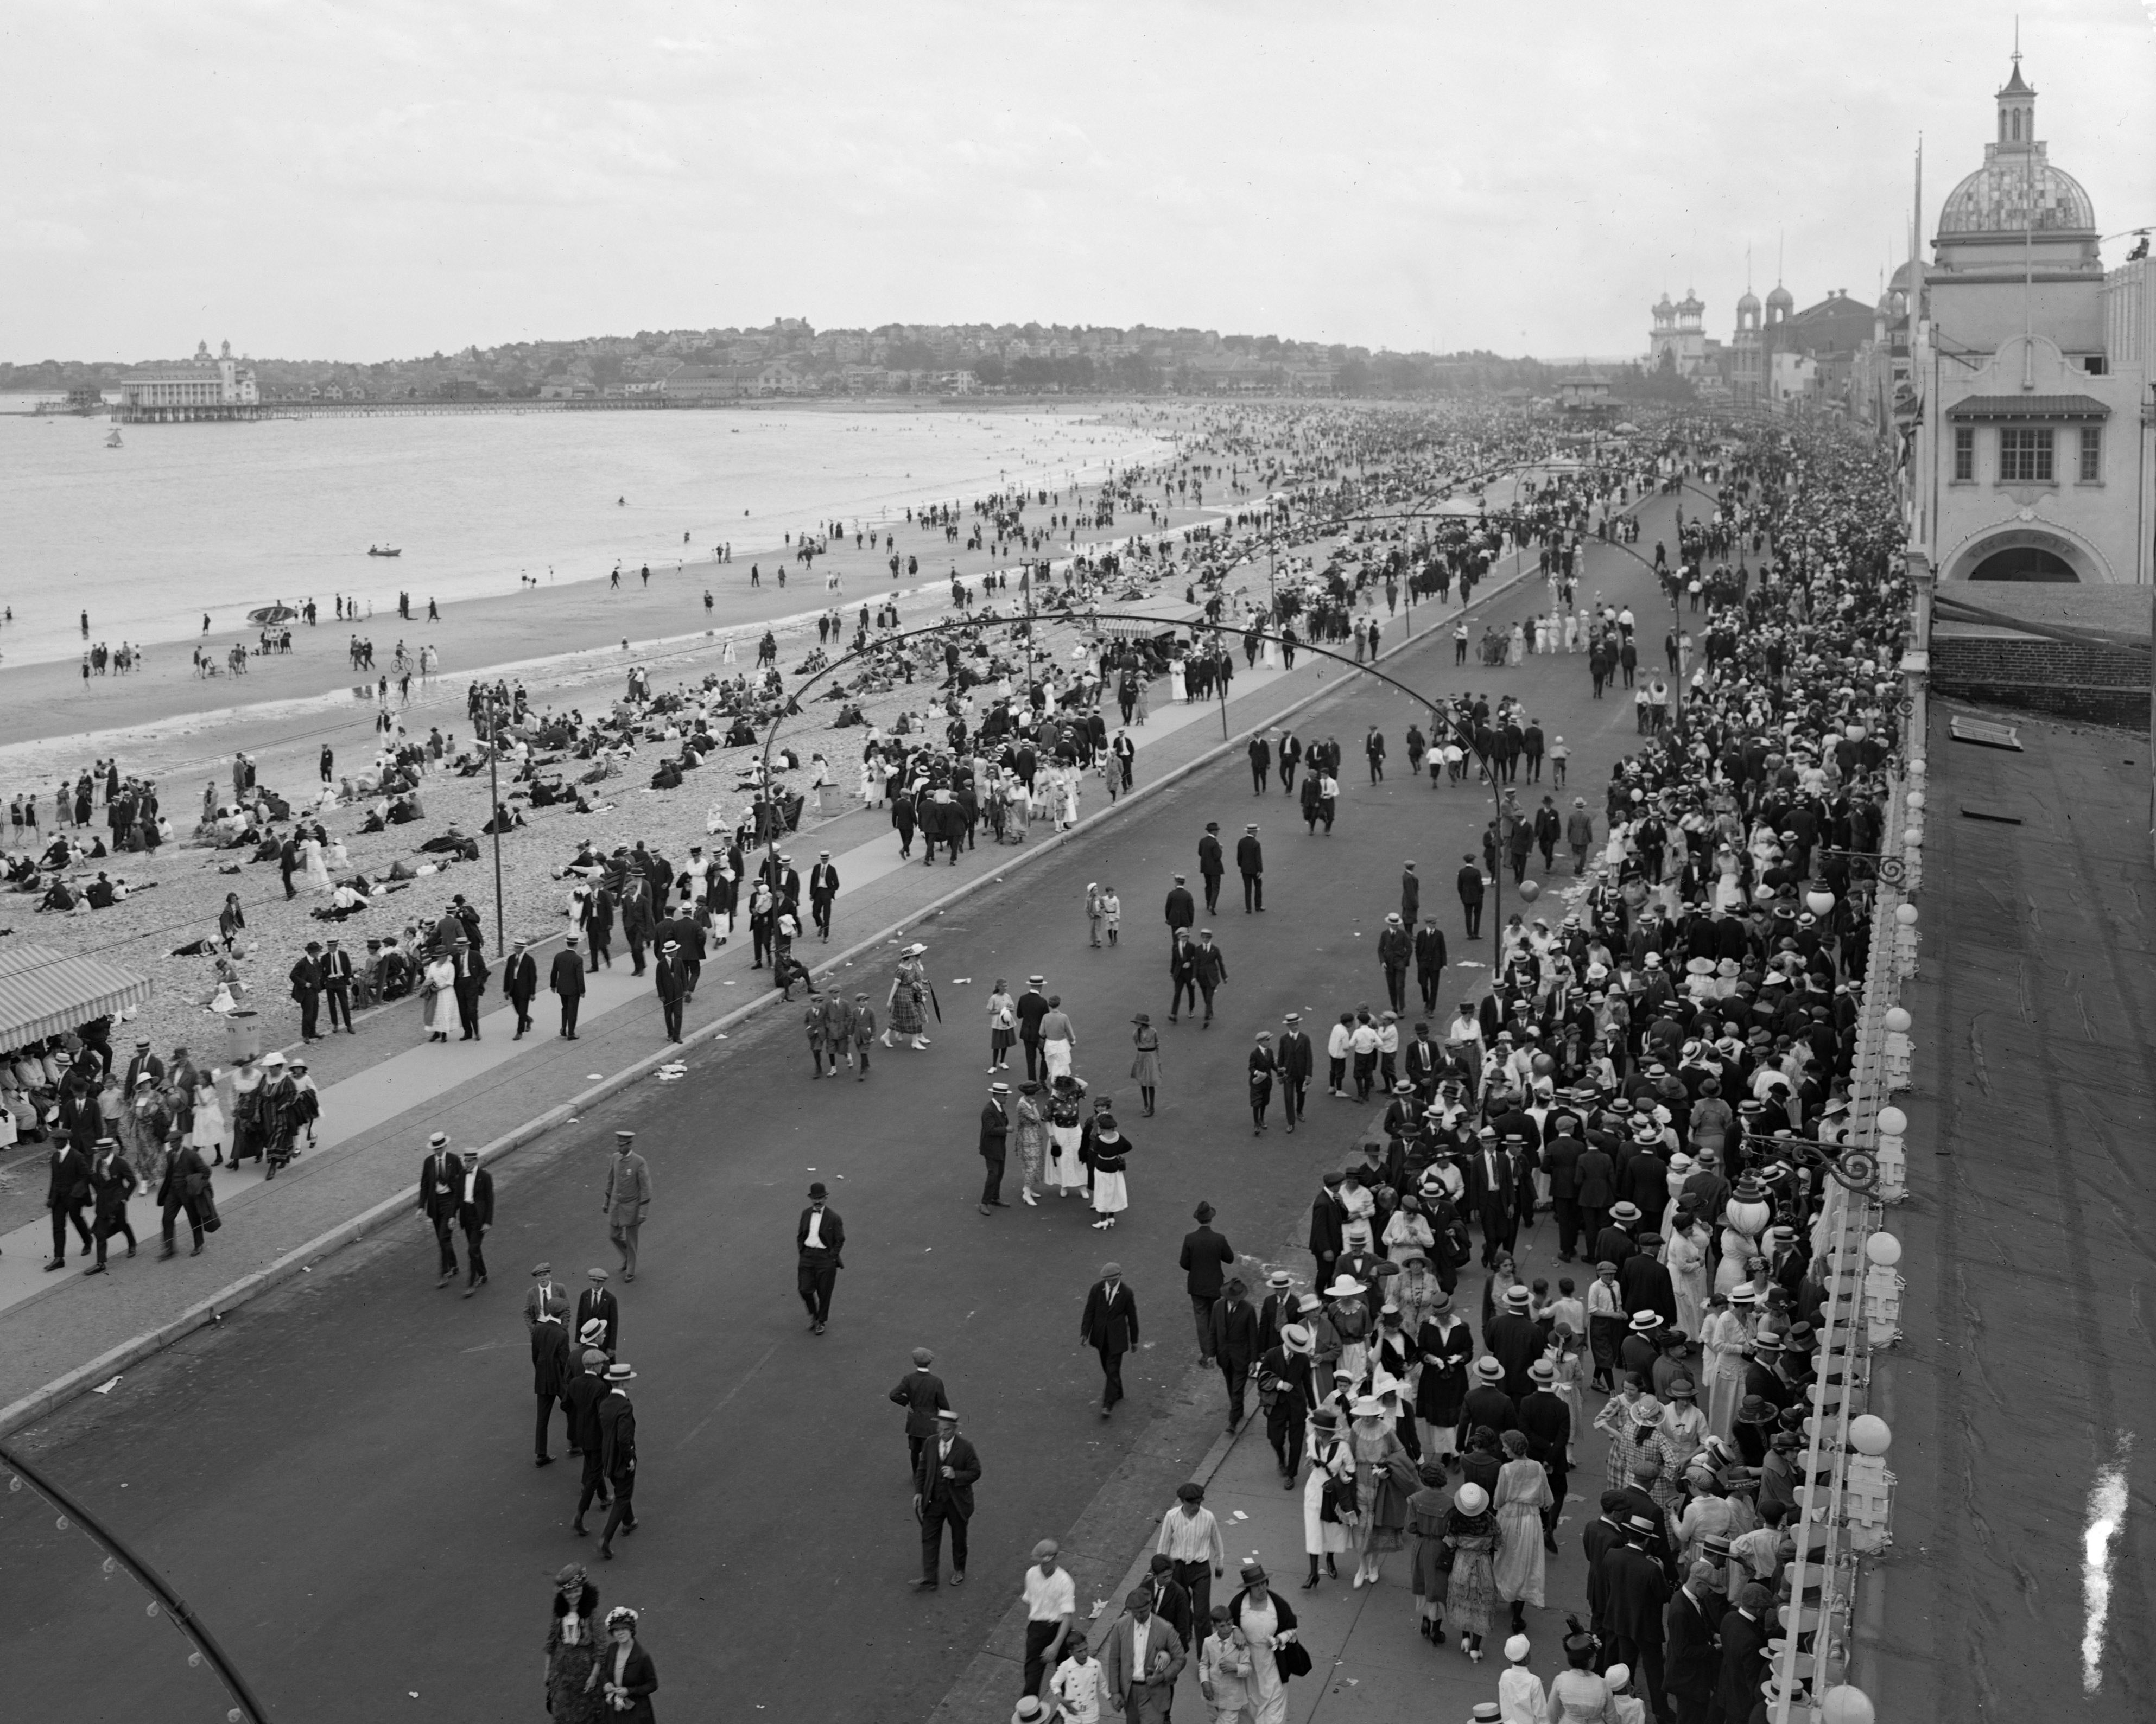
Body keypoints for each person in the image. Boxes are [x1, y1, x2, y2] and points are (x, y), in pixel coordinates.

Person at [1226, 1561, 1306, 1724]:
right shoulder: (1239, 1604)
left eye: (1263, 1583)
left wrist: (1279, 1639)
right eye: (1257, 1585)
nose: (1262, 1588)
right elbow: (1226, 1624)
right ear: (1249, 1588)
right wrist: (1235, 1630)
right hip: (1249, 1671)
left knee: (1274, 1717)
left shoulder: (1278, 1605)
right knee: (1251, 1714)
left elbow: (1292, 1629)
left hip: (1273, 1669)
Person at [912, 1407, 979, 1589]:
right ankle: (930, 1577)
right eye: (939, 1429)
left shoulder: (966, 1448)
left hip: (956, 1503)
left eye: (946, 1430)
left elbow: (976, 1472)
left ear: (954, 1429)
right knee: (929, 1537)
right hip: (933, 1500)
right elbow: (922, 1469)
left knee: (958, 1538)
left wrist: (955, 1474)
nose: (942, 1434)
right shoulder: (930, 1443)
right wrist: (919, 1492)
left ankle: (959, 1570)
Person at [1102, 1587, 1186, 1724]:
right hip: (1129, 1692)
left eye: (1142, 1611)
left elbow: (1180, 1658)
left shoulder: (1166, 1629)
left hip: (1155, 1693)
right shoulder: (1120, 1626)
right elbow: (1114, 1660)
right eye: (1135, 1612)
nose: (1139, 1616)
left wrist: (1162, 1676)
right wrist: (1115, 1692)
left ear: (1151, 1605)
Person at [543, 1564, 604, 1724]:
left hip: (585, 1673)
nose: (573, 1596)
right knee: (562, 1713)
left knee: (587, 1714)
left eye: (577, 1591)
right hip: (561, 1673)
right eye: (569, 1593)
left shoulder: (593, 1614)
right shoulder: (559, 1613)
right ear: (563, 1594)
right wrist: (547, 1670)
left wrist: (594, 1676)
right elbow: (551, 1641)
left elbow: (601, 1648)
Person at [1080, 1261, 1139, 1417]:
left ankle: (1108, 1405)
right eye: (1108, 1280)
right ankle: (1118, 1391)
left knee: (1112, 1369)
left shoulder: (1126, 1293)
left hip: (1117, 1338)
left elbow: (1132, 1317)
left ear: (1120, 1276)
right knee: (1108, 1369)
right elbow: (1090, 1311)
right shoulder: (1096, 1289)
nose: (1111, 1283)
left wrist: (1134, 1340)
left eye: (1114, 1280)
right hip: (1101, 1337)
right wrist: (1085, 1333)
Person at [1020, 1538, 1077, 1700]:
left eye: (1046, 1562)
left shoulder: (1065, 1581)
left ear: (1053, 1559)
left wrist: (1055, 1645)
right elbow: (1030, 1601)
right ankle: (1031, 1709)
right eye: (1041, 1562)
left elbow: (1067, 1617)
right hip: (1037, 1629)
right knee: (1032, 1676)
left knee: (1065, 1674)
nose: (1044, 1566)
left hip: (1059, 1629)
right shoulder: (1031, 1575)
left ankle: (1068, 1708)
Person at [595, 1362, 641, 1560]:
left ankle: (629, 1522)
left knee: (622, 1490)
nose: (630, 1381)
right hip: (622, 1459)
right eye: (628, 1379)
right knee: (623, 1497)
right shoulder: (625, 1406)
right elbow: (624, 1438)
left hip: (608, 1458)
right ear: (622, 1383)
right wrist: (629, 1459)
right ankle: (606, 1538)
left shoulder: (605, 1404)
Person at [1180, 1201, 1234, 1362]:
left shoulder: (1190, 1239)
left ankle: (1207, 1354)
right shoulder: (1219, 1239)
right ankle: (1219, 1349)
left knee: (1201, 1320)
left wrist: (1196, 1268)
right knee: (1216, 1318)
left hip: (1197, 1285)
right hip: (1215, 1286)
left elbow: (1184, 1263)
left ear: (1198, 1219)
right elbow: (1229, 1258)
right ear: (1211, 1219)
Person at [1208, 1278, 1260, 1432]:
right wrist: (1211, 1354)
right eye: (1232, 1299)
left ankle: (1233, 1422)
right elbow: (1213, 1331)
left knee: (1237, 1390)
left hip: (1242, 1358)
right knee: (1231, 1387)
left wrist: (1254, 1360)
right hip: (1224, 1356)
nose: (1234, 1301)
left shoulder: (1248, 1310)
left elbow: (1253, 1336)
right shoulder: (1218, 1307)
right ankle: (1238, 1410)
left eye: (1237, 1299)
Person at [81, 1137, 138, 1274]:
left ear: (110, 1150)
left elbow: (133, 1182)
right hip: (103, 1203)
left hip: (117, 1203)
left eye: (102, 1150)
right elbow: (100, 1184)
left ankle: (132, 1243)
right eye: (99, 1151)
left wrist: (124, 1197)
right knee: (100, 1233)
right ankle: (101, 1263)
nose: (100, 1153)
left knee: (122, 1224)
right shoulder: (99, 1163)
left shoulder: (121, 1164)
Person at [603, 1131, 652, 1282]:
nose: (619, 1148)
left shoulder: (639, 1162)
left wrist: (643, 1212)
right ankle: (627, 1256)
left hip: (633, 1208)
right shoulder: (615, 1158)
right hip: (617, 1206)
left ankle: (631, 1270)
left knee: (631, 1241)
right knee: (613, 1236)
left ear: (630, 1145)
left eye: (622, 1146)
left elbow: (646, 1188)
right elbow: (610, 1180)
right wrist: (606, 1201)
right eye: (618, 1145)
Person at [796, 1181, 844, 1333]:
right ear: (811, 1199)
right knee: (804, 1289)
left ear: (826, 1198)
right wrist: (802, 1251)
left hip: (825, 1259)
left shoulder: (834, 1218)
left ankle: (821, 1321)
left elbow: (840, 1240)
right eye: (815, 1198)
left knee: (824, 1292)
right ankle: (814, 1314)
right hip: (807, 1257)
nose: (817, 1201)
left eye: (820, 1198)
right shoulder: (806, 1214)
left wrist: (832, 1257)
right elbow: (801, 1235)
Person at [416, 1129, 462, 1286]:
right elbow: (424, 1185)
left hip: (450, 1201)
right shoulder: (428, 1162)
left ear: (445, 1146)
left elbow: (461, 1183)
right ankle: (454, 1265)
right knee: (443, 1239)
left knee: (443, 1238)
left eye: (440, 1148)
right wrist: (421, 1207)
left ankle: (444, 1273)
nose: (438, 1151)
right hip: (435, 1203)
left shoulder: (454, 1160)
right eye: (435, 1149)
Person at [597, 1606, 658, 1721]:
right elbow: (604, 1672)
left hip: (636, 1711)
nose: (620, 1633)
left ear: (631, 1630)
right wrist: (606, 1683)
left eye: (624, 1628)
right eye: (616, 1630)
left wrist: (629, 1691)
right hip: (613, 1709)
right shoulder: (612, 1649)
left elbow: (652, 1685)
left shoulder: (642, 1656)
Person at [1197, 1605, 1252, 1724]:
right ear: (1214, 1626)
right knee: (1214, 1720)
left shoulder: (1240, 1643)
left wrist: (1235, 1667)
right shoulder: (1208, 1642)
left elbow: (1248, 1669)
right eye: (1222, 1626)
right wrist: (1205, 1682)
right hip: (1213, 1695)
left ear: (1232, 1622)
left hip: (1233, 1698)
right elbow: (1204, 1664)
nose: (1227, 1629)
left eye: (1229, 1624)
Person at [454, 1148, 493, 1296]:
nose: (467, 1164)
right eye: (466, 1161)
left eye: (470, 1161)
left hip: (479, 1218)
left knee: (472, 1249)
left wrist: (488, 1222)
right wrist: (452, 1216)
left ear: (476, 1161)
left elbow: (490, 1201)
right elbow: (458, 1197)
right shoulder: (462, 1175)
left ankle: (471, 1283)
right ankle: (483, 1274)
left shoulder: (485, 1177)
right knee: (475, 1249)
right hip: (466, 1215)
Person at [1276, 1012, 1313, 1133]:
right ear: (1288, 1026)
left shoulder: (1305, 1039)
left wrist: (1309, 1074)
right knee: (1288, 1098)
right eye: (1293, 1024)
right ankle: (1291, 1123)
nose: (1296, 1026)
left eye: (1297, 1024)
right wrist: (1280, 1074)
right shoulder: (1284, 1039)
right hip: (1288, 1074)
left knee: (1301, 1095)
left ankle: (1299, 1111)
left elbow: (1309, 1058)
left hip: (1301, 1074)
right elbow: (1281, 1057)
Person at [979, 1081, 1011, 1215]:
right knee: (993, 1174)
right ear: (997, 1095)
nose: (1006, 1098)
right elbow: (990, 1129)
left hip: (999, 1146)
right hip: (991, 1147)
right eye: (1004, 1095)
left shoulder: (999, 1107)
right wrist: (1006, 1129)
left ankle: (995, 1197)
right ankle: (984, 1203)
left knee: (1000, 1172)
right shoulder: (989, 1110)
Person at [551, 933, 587, 1038]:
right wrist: (582, 990)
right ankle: (571, 1033)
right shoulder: (578, 959)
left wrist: (553, 985)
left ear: (567, 943)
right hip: (573, 989)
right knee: (573, 1011)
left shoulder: (558, 956)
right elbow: (580, 977)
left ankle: (563, 1028)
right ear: (576, 945)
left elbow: (554, 972)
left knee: (565, 1008)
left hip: (562, 988)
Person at [1130, 1014, 1161, 1117]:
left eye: (1138, 1022)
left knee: (1150, 1083)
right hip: (1141, 1057)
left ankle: (1152, 1107)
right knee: (1142, 1082)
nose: (1136, 1024)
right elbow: (1136, 1043)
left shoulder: (1153, 1032)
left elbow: (1157, 1044)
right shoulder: (1136, 1033)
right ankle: (1146, 1105)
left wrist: (1157, 1058)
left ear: (1143, 1023)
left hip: (1151, 1057)